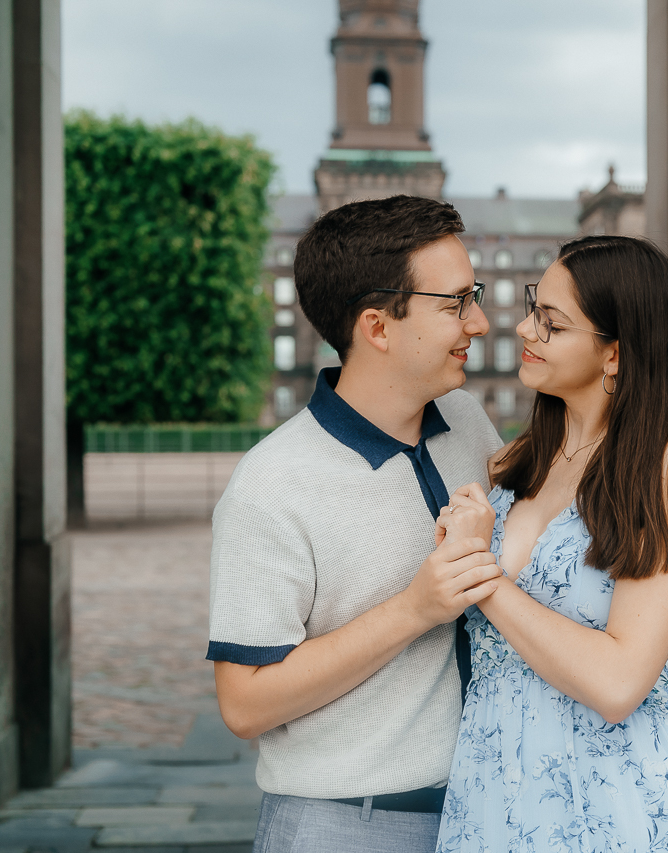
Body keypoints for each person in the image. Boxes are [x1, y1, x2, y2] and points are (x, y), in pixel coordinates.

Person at [206, 195, 506, 853]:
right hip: (347, 827)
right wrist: (413, 609)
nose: (479, 322)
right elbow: (244, 704)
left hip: (491, 811)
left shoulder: (469, 423)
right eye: (455, 302)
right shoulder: (268, 487)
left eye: (474, 294)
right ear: (378, 326)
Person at [434, 236, 668, 852]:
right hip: (497, 785)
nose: (524, 329)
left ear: (615, 355)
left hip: (620, 792)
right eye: (533, 308)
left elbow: (619, 682)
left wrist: (481, 576)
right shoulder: (513, 460)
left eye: (552, 323)